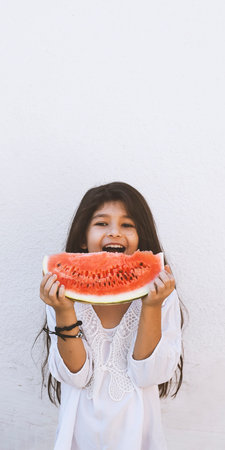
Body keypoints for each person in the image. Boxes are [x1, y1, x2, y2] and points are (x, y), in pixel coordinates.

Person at [39, 181, 184, 450]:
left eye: (127, 225)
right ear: (83, 238)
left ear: (141, 236)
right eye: (102, 223)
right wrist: (63, 310)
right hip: (79, 431)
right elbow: (76, 376)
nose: (115, 232)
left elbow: (148, 374)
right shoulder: (62, 293)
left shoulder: (161, 292)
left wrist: (151, 306)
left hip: (139, 432)